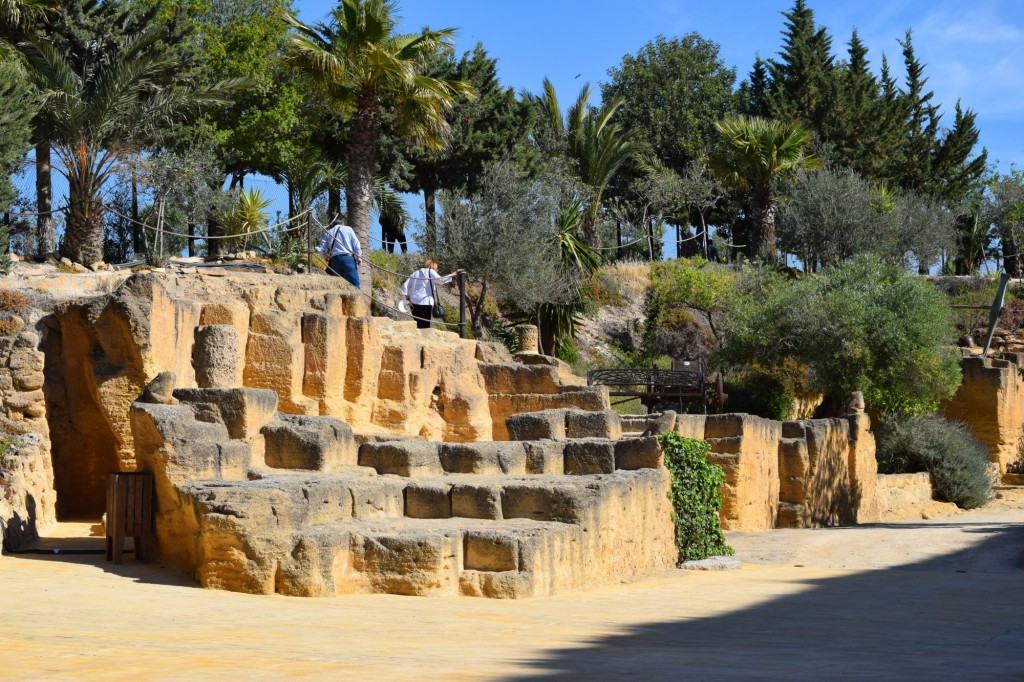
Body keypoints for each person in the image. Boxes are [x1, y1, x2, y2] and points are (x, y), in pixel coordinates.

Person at [401, 260, 463, 329]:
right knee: (425, 325)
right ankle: (425, 339)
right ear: (433, 266)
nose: (436, 270)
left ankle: (420, 338)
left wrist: (408, 298)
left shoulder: (415, 273)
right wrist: (454, 273)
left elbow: (405, 286)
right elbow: (441, 280)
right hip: (426, 302)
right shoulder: (431, 271)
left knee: (418, 324)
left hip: (414, 302)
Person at [318, 220, 362, 288]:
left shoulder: (328, 232)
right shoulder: (348, 229)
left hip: (335, 261)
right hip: (348, 259)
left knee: (338, 286)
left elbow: (321, 249)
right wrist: (359, 259)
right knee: (355, 285)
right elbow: (356, 245)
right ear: (342, 224)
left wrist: (325, 256)